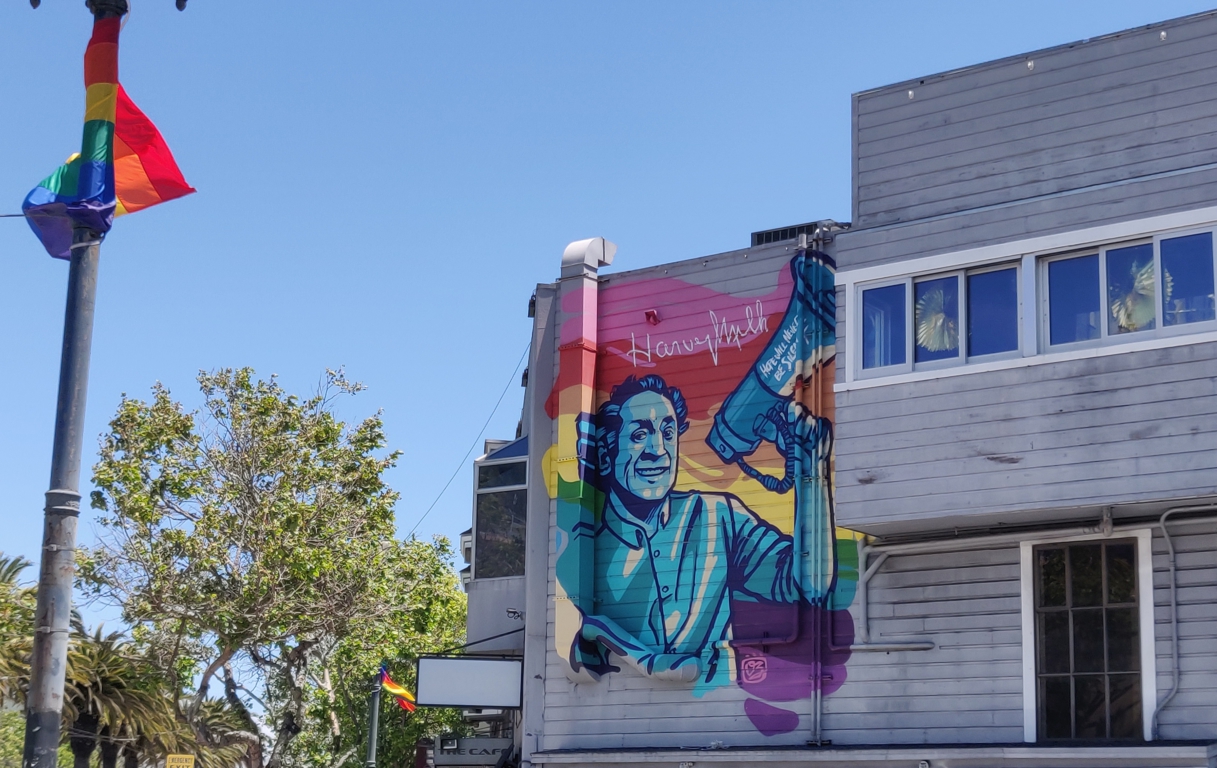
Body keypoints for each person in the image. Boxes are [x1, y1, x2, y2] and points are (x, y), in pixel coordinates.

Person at [576, 374, 827, 684]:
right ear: (604, 456)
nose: (659, 451)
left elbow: (809, 584)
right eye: (640, 434)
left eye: (668, 432)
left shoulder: (720, 516)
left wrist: (812, 469)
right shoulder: (582, 555)